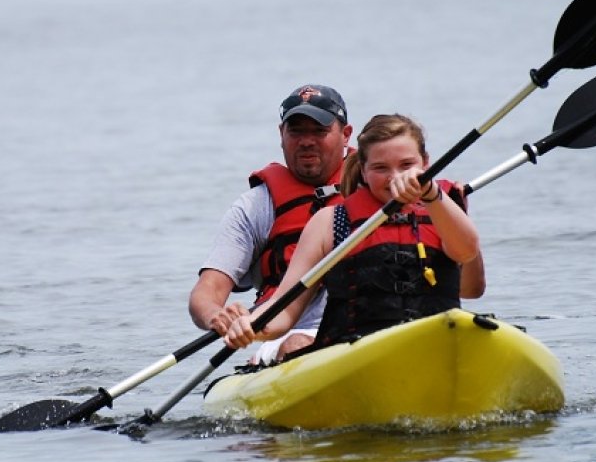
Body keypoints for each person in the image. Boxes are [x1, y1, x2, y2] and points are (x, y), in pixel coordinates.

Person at [223, 113, 482, 354]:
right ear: (364, 171)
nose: (395, 177)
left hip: (437, 343)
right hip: (355, 352)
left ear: (425, 163)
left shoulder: (444, 208)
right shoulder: (329, 222)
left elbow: (471, 282)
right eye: (380, 168)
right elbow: (285, 309)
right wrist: (251, 325)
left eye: (407, 165)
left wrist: (434, 197)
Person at [189, 84, 353, 362]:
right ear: (281, 135)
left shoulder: (373, 185)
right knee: (298, 344)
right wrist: (217, 315)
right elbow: (208, 290)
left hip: (366, 327)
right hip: (288, 337)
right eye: (296, 131)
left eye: (319, 131)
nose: (306, 141)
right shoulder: (255, 206)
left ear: (346, 135)